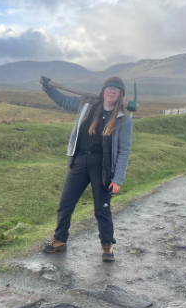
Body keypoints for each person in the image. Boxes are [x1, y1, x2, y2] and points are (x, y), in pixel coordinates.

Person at [42, 76, 133, 262]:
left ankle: (107, 246)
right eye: (110, 88)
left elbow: (124, 151)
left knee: (102, 208)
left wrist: (118, 179)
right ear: (103, 90)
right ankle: (60, 240)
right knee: (65, 203)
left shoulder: (124, 120)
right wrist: (49, 88)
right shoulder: (87, 106)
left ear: (121, 95)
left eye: (117, 89)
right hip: (80, 160)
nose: (113, 91)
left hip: (103, 167)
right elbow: (63, 100)